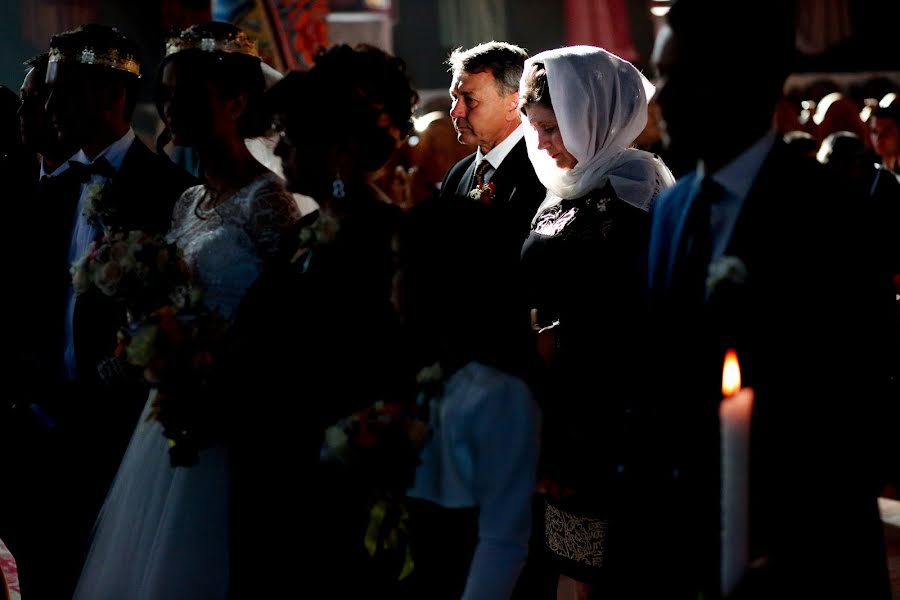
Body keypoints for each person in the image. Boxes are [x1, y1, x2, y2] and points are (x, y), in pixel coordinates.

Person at [647, 1, 896, 597]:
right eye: (661, 77)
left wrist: (795, 548)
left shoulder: (827, 213)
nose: (664, 98)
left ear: (747, 82)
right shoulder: (671, 209)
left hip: (807, 557)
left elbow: (868, 398)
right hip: (691, 544)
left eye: (682, 77)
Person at [73, 22, 300, 600]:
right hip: (169, 406)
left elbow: (284, 319)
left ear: (236, 101)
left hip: (231, 411)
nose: (169, 107)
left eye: (186, 96)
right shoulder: (187, 200)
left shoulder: (267, 199)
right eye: (166, 93)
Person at [229, 43, 417, 598]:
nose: (281, 148)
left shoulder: (388, 237)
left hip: (340, 484)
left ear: (338, 150)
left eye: (293, 135)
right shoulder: (302, 233)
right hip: (283, 475)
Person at [20, 24, 196, 600]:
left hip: (121, 433)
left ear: (111, 97)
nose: (49, 107)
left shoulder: (171, 192)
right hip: (40, 429)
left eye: (62, 91)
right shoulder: (49, 190)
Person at [517, 46, 674, 598]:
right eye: (534, 127)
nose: (541, 144)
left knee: (618, 572)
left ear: (593, 117)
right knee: (577, 569)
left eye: (552, 128)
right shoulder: (565, 188)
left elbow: (639, 315)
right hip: (558, 404)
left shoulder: (636, 194)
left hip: (607, 412)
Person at [393, 199, 541, 600]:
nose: (394, 283)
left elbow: (503, 540)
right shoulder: (431, 376)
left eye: (403, 267)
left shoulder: (498, 395)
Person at [440, 41, 546, 242]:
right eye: (454, 98)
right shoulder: (457, 174)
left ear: (514, 103)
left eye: (470, 100)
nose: (455, 111)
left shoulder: (544, 172)